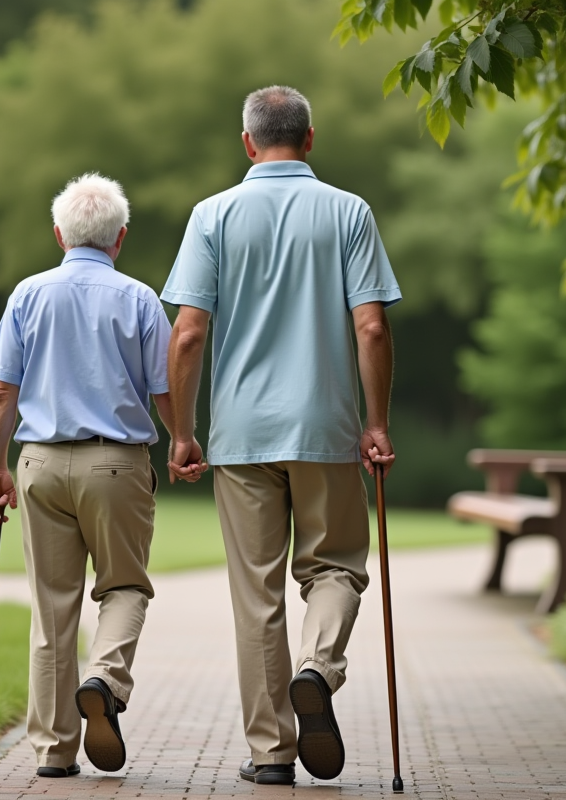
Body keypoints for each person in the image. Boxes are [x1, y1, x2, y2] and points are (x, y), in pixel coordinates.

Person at [162, 85, 400, 786]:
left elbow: (189, 332)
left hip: (240, 437)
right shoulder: (348, 212)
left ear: (247, 142)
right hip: (326, 427)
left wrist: (182, 432)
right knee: (337, 568)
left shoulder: (212, 216)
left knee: (256, 596)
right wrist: (377, 422)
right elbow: (372, 326)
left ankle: (272, 753)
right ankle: (317, 668)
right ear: (310, 138)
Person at [0, 173, 199, 778]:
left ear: (58, 234)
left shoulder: (27, 295)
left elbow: (3, 392)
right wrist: (182, 439)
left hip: (40, 462)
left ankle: (54, 751)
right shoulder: (139, 299)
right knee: (124, 586)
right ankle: (104, 677)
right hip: (116, 463)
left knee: (53, 608)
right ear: (120, 238)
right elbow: (164, 388)